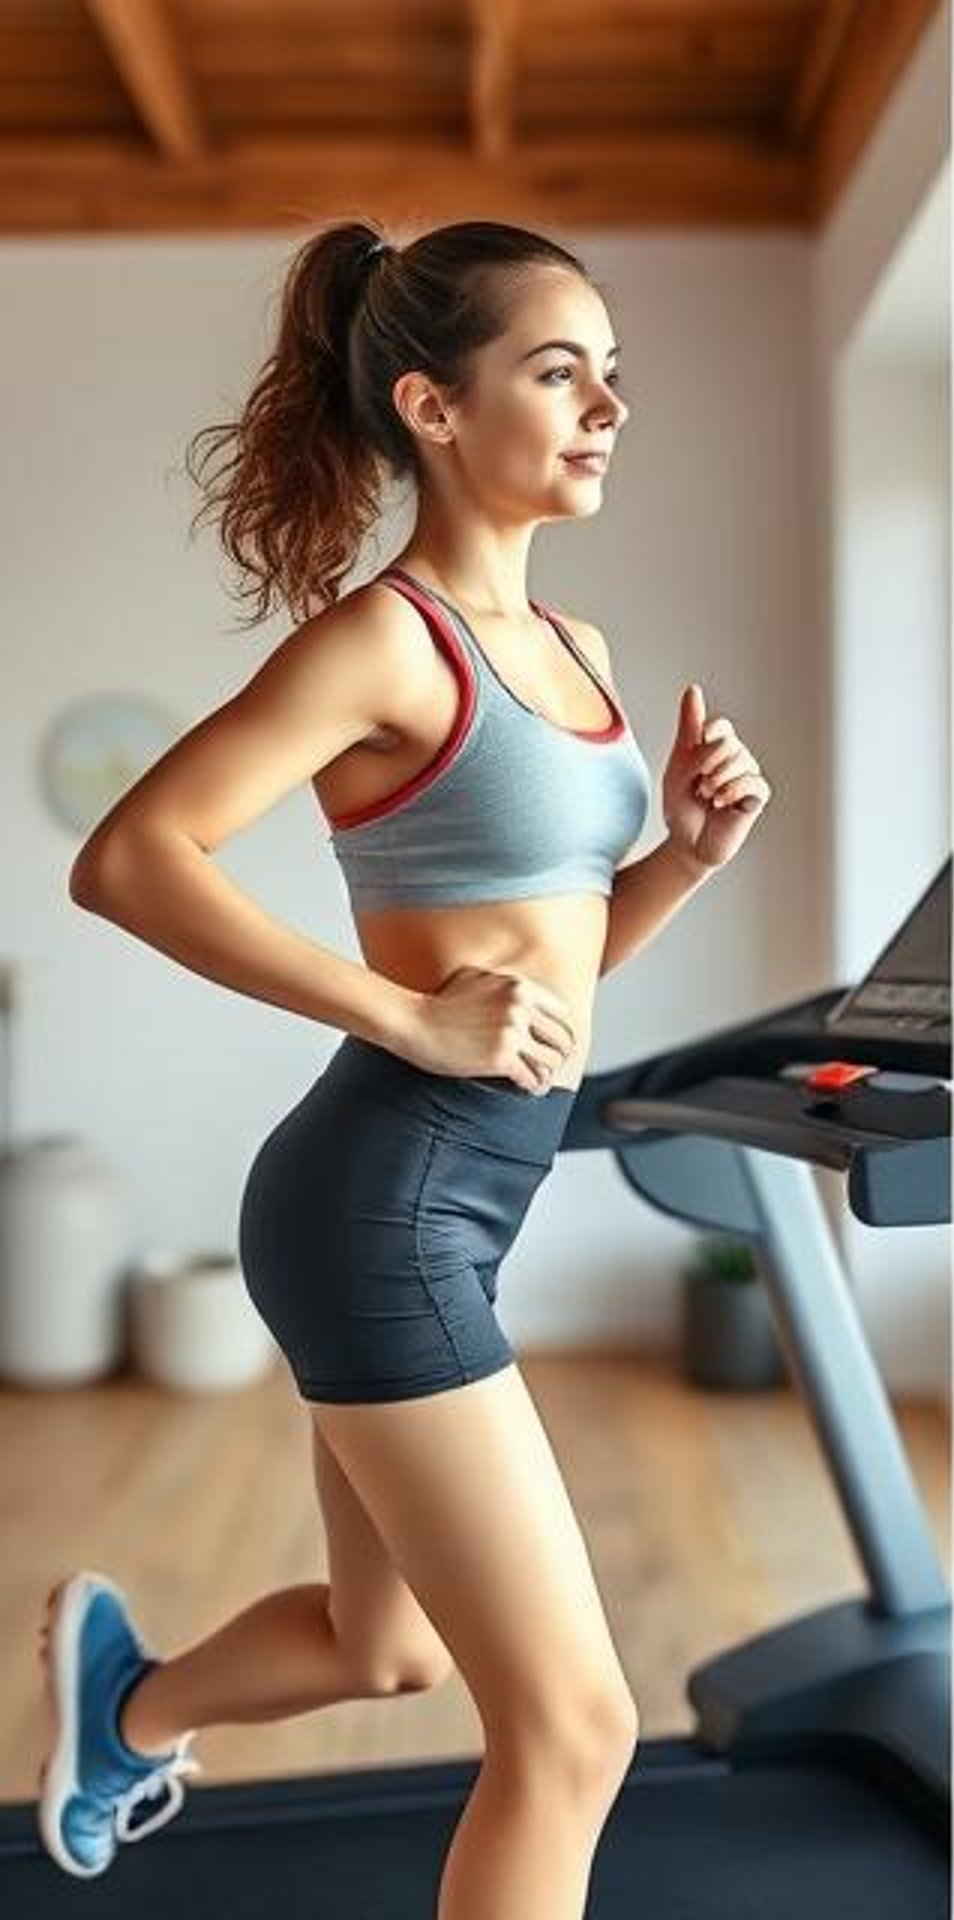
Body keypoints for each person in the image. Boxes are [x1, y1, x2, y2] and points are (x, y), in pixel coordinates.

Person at [39, 218, 770, 1917]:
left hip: (455, 1194)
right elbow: (133, 857)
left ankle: (126, 1705)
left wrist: (682, 859)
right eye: (558, 370)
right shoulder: (385, 645)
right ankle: (129, 1703)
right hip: (390, 1201)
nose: (606, 409)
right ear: (436, 409)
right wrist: (403, 1015)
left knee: (390, 1655)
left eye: (613, 375)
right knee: (573, 1730)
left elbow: (550, 979)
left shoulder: (577, 650)